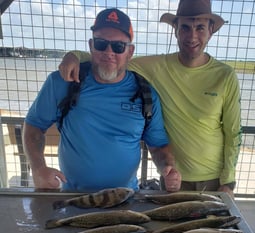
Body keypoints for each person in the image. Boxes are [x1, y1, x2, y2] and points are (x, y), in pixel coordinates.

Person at [59, 0, 242, 198]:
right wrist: (74, 55)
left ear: (211, 30)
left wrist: (228, 182)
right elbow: (111, 56)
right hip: (172, 177)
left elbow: (233, 133)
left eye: (200, 28)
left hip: (213, 179)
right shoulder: (156, 66)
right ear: (176, 30)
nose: (192, 36)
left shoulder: (225, 75)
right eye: (185, 28)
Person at [23, 8, 181, 192]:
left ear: (130, 52)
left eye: (118, 46)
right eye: (101, 43)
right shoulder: (62, 82)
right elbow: (34, 126)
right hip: (74, 198)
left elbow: (158, 146)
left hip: (125, 199)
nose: (108, 52)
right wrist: (38, 168)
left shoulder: (145, 93)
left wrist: (168, 169)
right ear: (91, 46)